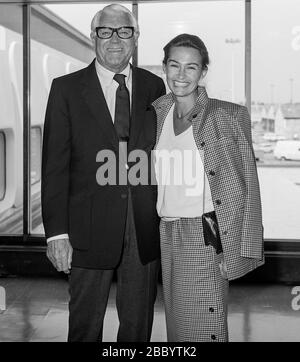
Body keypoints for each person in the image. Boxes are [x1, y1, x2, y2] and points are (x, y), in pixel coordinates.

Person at [41, 4, 165, 342]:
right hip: (86, 227)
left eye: (124, 31)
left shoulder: (155, 87)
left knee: (138, 325)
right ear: (93, 36)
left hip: (142, 225)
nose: (115, 39)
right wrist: (56, 234)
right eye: (105, 31)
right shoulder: (65, 89)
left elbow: (163, 157)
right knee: (84, 324)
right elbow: (54, 166)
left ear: (135, 38)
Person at [153, 33, 264, 342]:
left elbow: (247, 188)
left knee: (201, 327)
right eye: (174, 65)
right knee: (177, 328)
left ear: (203, 72)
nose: (181, 75)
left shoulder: (226, 116)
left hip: (204, 233)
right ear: (164, 68)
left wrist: (238, 249)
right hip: (167, 230)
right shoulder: (159, 111)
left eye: (191, 67)